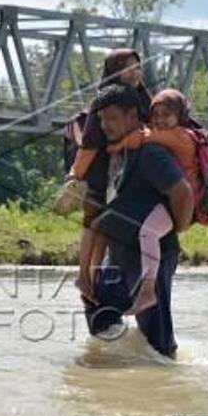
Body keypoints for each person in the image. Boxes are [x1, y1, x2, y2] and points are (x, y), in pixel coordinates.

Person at [80, 84, 194, 359]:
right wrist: (87, 272)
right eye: (102, 120)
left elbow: (183, 193)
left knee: (157, 337)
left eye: (113, 118)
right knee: (96, 305)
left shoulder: (150, 153)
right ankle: (116, 368)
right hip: (118, 255)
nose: (105, 125)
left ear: (132, 116)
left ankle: (166, 374)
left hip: (152, 254)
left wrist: (176, 227)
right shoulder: (115, 154)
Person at [53, 48, 153, 292]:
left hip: (130, 174)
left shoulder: (143, 99)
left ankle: (97, 279)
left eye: (138, 67)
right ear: (113, 71)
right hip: (101, 175)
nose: (135, 72)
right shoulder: (104, 100)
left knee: (107, 233)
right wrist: (74, 177)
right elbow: (89, 143)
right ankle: (86, 278)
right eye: (128, 67)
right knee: (94, 226)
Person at [104, 88, 202, 314]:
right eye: (155, 114)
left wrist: (115, 146)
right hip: (168, 199)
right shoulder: (174, 135)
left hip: (181, 201)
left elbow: (142, 137)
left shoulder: (182, 136)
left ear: (180, 116)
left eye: (166, 114)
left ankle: (148, 291)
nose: (159, 120)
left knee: (148, 233)